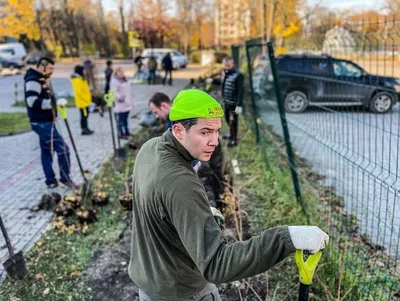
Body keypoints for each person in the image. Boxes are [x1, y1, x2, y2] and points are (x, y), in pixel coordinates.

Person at [130, 89, 329, 301]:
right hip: (183, 292)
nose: (215, 141)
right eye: (205, 132)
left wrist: (192, 213)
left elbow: (152, 204)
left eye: (217, 131)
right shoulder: (180, 182)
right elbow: (217, 264)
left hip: (151, 284)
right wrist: (284, 238)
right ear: (179, 130)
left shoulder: (150, 149)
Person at [24, 57, 75, 189]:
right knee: (63, 149)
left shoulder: (41, 79)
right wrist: (52, 104)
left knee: (46, 151)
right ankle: (65, 178)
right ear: (42, 67)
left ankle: (51, 181)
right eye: (50, 68)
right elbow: (32, 101)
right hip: (42, 123)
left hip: (45, 122)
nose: (52, 71)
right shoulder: (33, 80)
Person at [221, 56, 244, 147]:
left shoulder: (238, 75)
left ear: (232, 64)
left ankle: (234, 140)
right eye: (225, 65)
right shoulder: (225, 73)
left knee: (233, 121)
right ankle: (231, 135)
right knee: (227, 119)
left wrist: (239, 105)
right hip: (226, 101)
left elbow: (240, 91)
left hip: (234, 104)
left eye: (228, 65)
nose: (226, 67)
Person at [110, 67, 133, 139]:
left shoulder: (125, 80)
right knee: (121, 120)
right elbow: (113, 92)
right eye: (120, 72)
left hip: (127, 103)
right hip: (121, 103)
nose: (122, 73)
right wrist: (120, 98)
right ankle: (121, 133)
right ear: (116, 73)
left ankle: (126, 131)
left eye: (123, 72)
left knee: (125, 119)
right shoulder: (114, 81)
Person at [71, 65, 94, 135]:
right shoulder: (77, 80)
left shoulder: (80, 78)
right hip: (83, 102)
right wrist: (87, 99)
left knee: (85, 116)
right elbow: (79, 92)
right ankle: (84, 129)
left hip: (85, 101)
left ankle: (86, 128)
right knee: (84, 116)